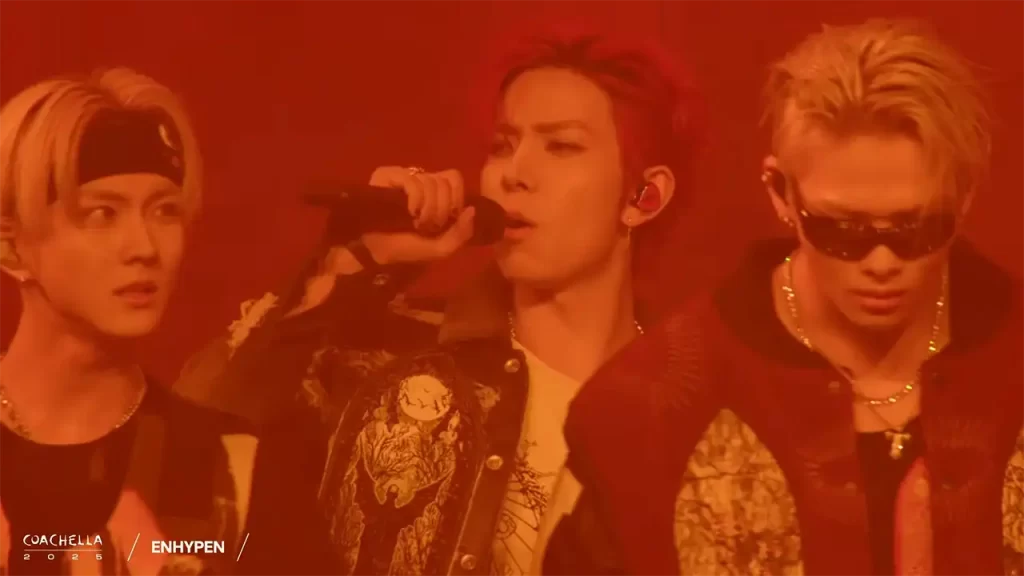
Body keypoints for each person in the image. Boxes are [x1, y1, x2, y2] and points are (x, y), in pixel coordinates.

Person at [175, 27, 702, 575]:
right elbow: (194, 447)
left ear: (645, 196)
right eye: (503, 145)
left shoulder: (691, 415)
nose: (513, 173)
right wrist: (352, 269)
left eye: (561, 146)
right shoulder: (388, 358)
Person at [542, 18, 1024, 576]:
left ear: (963, 199)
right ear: (780, 193)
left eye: (916, 229)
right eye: (842, 230)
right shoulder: (645, 410)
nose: (881, 263)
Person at [0, 68, 331, 575]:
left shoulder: (235, 470)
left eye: (164, 211)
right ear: (10, 248)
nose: (145, 247)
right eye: (102, 214)